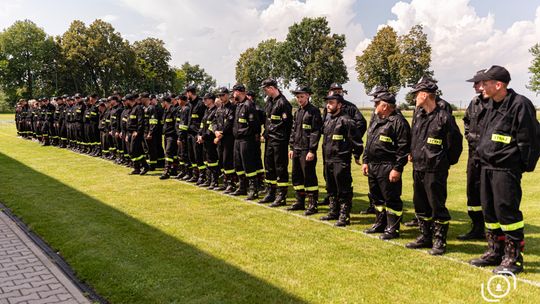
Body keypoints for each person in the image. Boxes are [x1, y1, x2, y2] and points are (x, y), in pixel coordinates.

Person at [470, 65, 540, 275]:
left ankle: (513, 258)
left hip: (506, 169)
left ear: (498, 84)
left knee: (507, 212)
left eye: (485, 83)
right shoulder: (490, 104)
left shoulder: (520, 105)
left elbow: (530, 140)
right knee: (489, 211)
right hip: (487, 167)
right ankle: (495, 251)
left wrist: (521, 165)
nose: (481, 87)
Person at [405, 80, 463, 255]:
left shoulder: (444, 117)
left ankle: (439, 241)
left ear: (424, 95)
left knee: (437, 205)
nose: (415, 97)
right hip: (419, 167)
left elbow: (455, 144)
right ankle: (425, 236)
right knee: (420, 204)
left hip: (435, 169)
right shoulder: (419, 115)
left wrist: (443, 162)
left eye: (416, 94)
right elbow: (414, 138)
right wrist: (412, 152)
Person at [362, 91, 411, 239]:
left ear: (385, 106)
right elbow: (369, 141)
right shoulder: (376, 119)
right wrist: (365, 161)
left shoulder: (398, 122)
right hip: (373, 165)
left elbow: (403, 148)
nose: (375, 106)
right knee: (377, 197)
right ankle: (380, 223)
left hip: (388, 165)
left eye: (377, 103)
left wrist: (397, 168)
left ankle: (393, 228)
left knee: (391, 198)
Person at [320, 94, 364, 227]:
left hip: (341, 159)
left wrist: (356, 155)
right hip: (328, 159)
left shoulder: (347, 121)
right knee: (331, 186)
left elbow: (357, 141)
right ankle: (333, 211)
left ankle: (344, 215)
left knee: (343, 187)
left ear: (339, 105)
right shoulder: (327, 120)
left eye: (331, 103)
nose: (328, 105)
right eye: (327, 102)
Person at [459, 70, 488, 240]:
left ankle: (492, 231)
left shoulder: (498, 102)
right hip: (473, 156)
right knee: (473, 192)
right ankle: (476, 227)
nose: (474, 86)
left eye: (476, 82)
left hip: (490, 158)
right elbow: (467, 120)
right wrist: (470, 136)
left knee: (489, 194)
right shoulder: (474, 102)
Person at [287, 86, 322, 215]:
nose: (299, 99)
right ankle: (299, 201)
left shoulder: (314, 111)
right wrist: (291, 147)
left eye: (302, 96)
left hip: (307, 150)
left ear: (308, 96)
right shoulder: (297, 112)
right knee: (297, 176)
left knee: (309, 177)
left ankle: (312, 204)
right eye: (297, 97)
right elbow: (293, 131)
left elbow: (315, 132)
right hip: (296, 149)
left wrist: (312, 150)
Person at [258, 78, 293, 207]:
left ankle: (281, 195)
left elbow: (288, 125)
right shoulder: (269, 102)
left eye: (265, 89)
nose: (265, 92)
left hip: (279, 141)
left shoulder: (283, 103)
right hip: (269, 140)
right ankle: (270, 192)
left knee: (280, 167)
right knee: (269, 166)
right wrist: (264, 134)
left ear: (271, 88)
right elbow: (268, 121)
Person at [230, 84, 261, 200]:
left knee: (248, 164)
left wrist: (242, 132)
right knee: (238, 164)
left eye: (234, 92)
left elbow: (255, 126)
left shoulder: (249, 105)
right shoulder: (238, 105)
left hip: (247, 140)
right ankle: (242, 187)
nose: (233, 95)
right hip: (237, 140)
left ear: (240, 92)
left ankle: (253, 189)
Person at [213, 87, 236, 193]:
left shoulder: (232, 108)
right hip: (220, 138)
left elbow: (229, 124)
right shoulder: (219, 109)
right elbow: (214, 122)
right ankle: (226, 183)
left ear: (227, 95)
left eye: (222, 95)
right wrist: (216, 132)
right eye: (219, 95)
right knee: (221, 160)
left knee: (228, 160)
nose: (221, 97)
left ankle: (231, 184)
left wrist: (220, 134)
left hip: (228, 139)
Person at [198, 93, 220, 189]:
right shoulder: (207, 110)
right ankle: (208, 180)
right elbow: (202, 125)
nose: (204, 101)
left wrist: (204, 136)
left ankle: (214, 181)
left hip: (210, 140)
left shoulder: (215, 111)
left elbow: (212, 127)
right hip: (204, 139)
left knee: (212, 160)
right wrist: (199, 135)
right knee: (206, 160)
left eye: (206, 99)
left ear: (211, 100)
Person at [160, 95, 178, 179]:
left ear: (165, 102)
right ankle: (173, 169)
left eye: (162, 102)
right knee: (172, 153)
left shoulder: (173, 110)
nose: (161, 104)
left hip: (172, 135)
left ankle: (166, 171)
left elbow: (176, 124)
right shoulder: (165, 111)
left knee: (168, 152)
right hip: (166, 135)